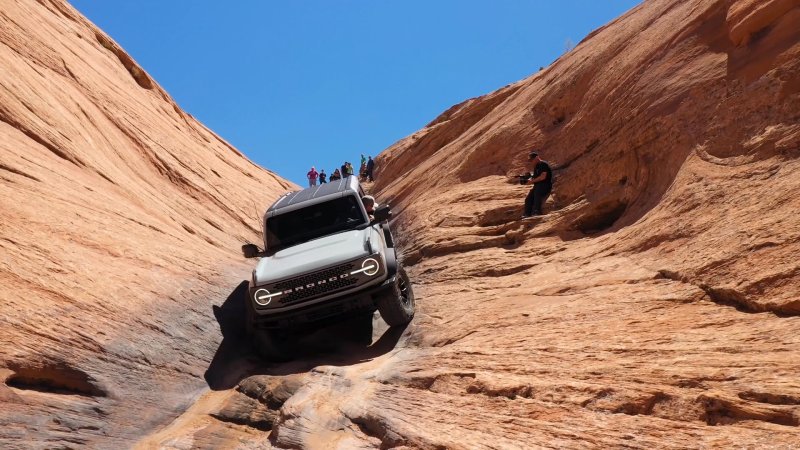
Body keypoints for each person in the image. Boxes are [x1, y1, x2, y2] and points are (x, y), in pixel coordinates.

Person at [522, 151, 553, 218]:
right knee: (528, 198)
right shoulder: (536, 167)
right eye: (530, 160)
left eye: (532, 160)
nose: (531, 162)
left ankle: (537, 212)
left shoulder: (543, 164)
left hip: (545, 185)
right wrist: (529, 180)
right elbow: (535, 177)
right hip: (538, 185)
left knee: (537, 193)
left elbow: (543, 177)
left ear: (537, 157)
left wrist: (532, 181)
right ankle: (527, 214)